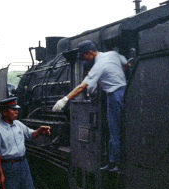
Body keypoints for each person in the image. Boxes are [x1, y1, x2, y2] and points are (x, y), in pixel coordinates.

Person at [52, 40, 128, 172]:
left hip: (115, 95)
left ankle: (117, 163)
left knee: (115, 130)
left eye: (83, 56)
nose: (83, 60)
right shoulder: (113, 54)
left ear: (90, 53)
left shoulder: (99, 65)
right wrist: (118, 74)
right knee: (114, 129)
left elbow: (82, 86)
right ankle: (113, 161)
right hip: (120, 92)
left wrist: (64, 99)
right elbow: (127, 64)